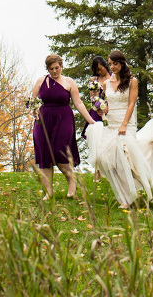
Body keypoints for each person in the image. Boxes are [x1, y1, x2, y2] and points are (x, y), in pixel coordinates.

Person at [97, 50, 153, 208]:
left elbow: (131, 104)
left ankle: (150, 190)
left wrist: (124, 124)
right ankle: (126, 195)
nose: (112, 67)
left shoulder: (132, 81)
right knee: (106, 158)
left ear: (122, 63)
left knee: (127, 159)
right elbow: (106, 105)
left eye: (115, 63)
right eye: (110, 64)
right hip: (111, 122)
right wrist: (102, 110)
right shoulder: (105, 84)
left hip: (126, 123)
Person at [31, 54, 98, 200]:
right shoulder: (41, 81)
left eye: (57, 68)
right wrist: (34, 111)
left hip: (64, 118)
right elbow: (31, 101)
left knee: (61, 151)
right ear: (47, 69)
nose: (55, 71)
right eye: (51, 69)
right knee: (45, 154)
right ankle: (48, 191)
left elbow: (78, 103)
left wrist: (91, 120)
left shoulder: (69, 82)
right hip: (44, 120)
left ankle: (71, 184)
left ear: (61, 66)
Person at [84, 55, 110, 181]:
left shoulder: (113, 78)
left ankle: (109, 169)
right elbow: (91, 97)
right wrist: (96, 103)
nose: (100, 71)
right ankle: (97, 171)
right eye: (97, 70)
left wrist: (106, 107)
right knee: (96, 140)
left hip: (109, 111)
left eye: (101, 68)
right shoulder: (93, 80)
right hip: (96, 111)